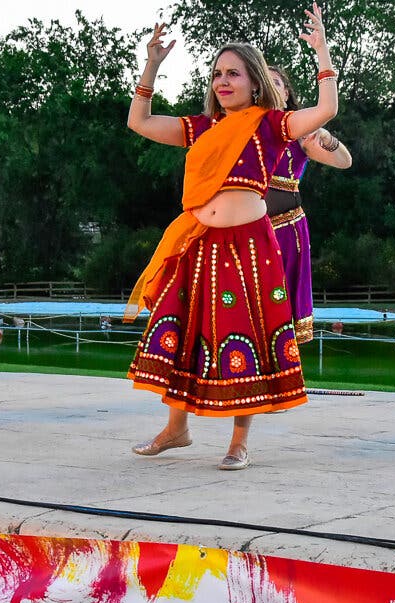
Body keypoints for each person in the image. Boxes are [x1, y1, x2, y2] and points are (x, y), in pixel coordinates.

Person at [125, 3, 338, 470]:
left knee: (244, 337)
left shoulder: (271, 124)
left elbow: (326, 109)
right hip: (199, 245)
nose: (223, 81)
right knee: (183, 330)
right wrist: (152, 66)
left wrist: (321, 51)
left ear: (255, 81)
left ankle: (239, 441)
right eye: (218, 74)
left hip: (249, 248)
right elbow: (139, 123)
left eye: (234, 74)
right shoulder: (202, 128)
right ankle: (176, 428)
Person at [266, 65, 352, 344]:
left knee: (282, 311)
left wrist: (327, 138)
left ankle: (282, 377)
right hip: (246, 230)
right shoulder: (240, 127)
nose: (269, 86)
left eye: (276, 82)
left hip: (286, 231)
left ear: (286, 92)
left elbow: (344, 161)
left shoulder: (299, 129)